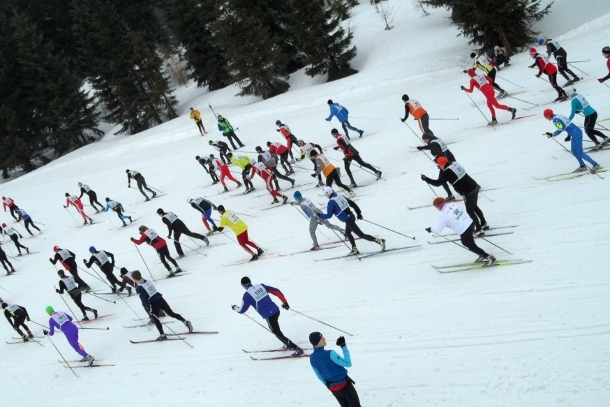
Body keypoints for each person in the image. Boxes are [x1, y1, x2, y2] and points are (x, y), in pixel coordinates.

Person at [232, 276, 303, 356]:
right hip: (276, 311)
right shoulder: (260, 286)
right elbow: (276, 291)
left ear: (243, 286)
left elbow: (242, 310)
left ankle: (297, 348)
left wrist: (235, 308)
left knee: (277, 333)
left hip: (269, 315)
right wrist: (285, 302)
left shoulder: (247, 295)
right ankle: (288, 345)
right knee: (277, 330)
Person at [421, 157, 489, 234]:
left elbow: (438, 183)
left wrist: (426, 179)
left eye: (439, 165)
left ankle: (479, 229)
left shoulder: (447, 172)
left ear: (442, 164)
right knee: (475, 207)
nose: (438, 167)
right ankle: (484, 224)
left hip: (468, 191)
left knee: (470, 211)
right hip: (474, 186)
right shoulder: (454, 163)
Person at [425, 197, 496, 265]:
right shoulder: (453, 204)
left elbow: (438, 229)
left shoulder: (443, 215)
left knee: (470, 245)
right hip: (470, 223)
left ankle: (488, 257)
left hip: (464, 229)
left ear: (438, 207)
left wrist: (431, 229)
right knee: (466, 243)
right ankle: (482, 254)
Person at [319, 187, 385, 256]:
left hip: (348, 219)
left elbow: (329, 215)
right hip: (351, 216)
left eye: (325, 194)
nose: (325, 195)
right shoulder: (340, 196)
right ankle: (354, 249)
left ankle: (379, 241)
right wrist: (358, 213)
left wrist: (320, 215)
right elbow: (352, 203)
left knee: (361, 235)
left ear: (327, 193)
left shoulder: (331, 202)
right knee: (348, 233)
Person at [132, 270, 193, 340]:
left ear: (135, 279)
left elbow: (144, 300)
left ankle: (162, 334)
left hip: (154, 303)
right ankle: (185, 322)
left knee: (156, 319)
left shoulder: (139, 288)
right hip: (160, 299)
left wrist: (149, 309)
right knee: (171, 313)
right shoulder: (147, 281)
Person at [309, 332, 361, 407]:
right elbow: (348, 363)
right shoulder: (330, 353)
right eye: (322, 338)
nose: (324, 339)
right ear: (318, 341)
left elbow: (319, 375)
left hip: (333, 389)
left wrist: (328, 385)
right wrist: (343, 346)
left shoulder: (312, 358)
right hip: (345, 386)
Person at [543, 109, 602, 173]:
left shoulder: (556, 120)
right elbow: (567, 125)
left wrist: (552, 134)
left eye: (546, 117)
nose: (546, 118)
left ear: (548, 115)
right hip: (575, 132)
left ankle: (595, 165)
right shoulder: (558, 116)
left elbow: (560, 129)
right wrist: (569, 136)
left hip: (576, 133)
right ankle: (582, 166)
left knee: (580, 153)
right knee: (574, 151)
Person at [416, 134, 456, 201]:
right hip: (451, 159)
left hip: (445, 162)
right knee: (456, 175)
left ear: (427, 139)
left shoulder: (432, 144)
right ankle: (470, 186)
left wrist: (437, 160)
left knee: (442, 179)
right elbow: (434, 146)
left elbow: (439, 153)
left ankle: (450, 195)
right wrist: (423, 147)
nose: (424, 142)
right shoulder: (436, 140)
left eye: (424, 140)